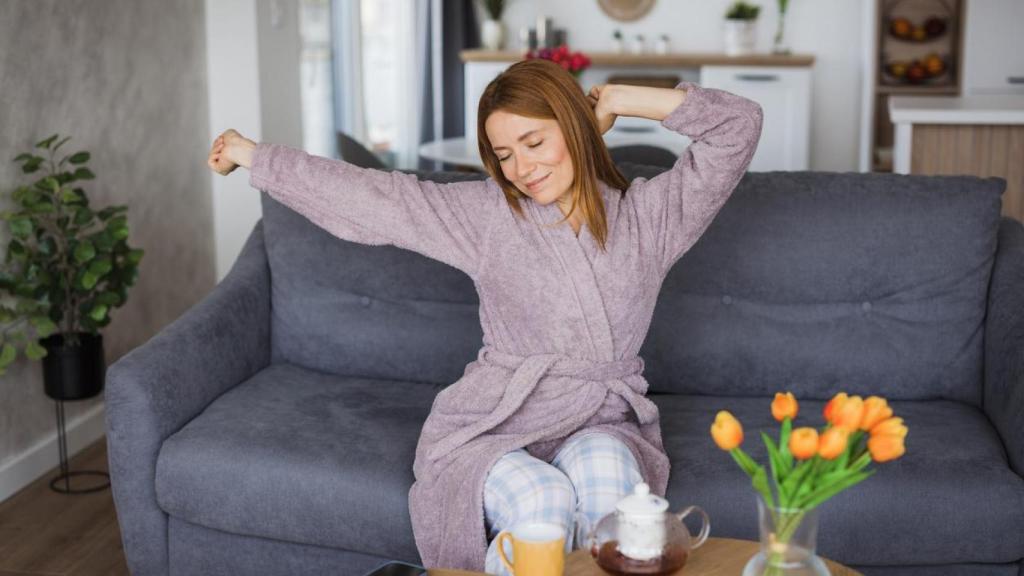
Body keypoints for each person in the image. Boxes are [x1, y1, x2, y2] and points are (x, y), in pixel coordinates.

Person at [208, 58, 762, 573]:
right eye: (504, 154)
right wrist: (256, 156)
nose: (521, 168)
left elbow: (739, 125)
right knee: (546, 502)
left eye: (534, 141)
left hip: (601, 415)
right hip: (496, 420)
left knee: (609, 497)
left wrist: (620, 95)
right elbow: (374, 198)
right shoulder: (486, 217)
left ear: (576, 127)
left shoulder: (653, 218)